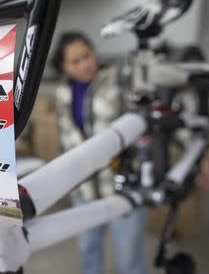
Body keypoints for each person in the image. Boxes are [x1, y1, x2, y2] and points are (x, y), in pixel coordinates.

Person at [52, 31, 147, 274]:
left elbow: (152, 116)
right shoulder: (62, 92)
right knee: (88, 250)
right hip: (83, 190)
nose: (85, 63)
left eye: (87, 55)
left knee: (129, 258)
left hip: (122, 187)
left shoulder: (120, 80)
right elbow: (67, 139)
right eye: (75, 61)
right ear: (64, 66)